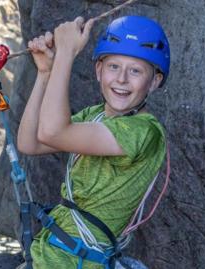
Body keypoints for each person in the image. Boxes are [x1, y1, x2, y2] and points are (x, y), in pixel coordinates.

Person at [16, 15, 170, 269]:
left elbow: (53, 132)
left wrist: (66, 51)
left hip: (76, 261)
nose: (121, 79)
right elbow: (30, 142)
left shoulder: (144, 132)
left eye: (135, 71)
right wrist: (45, 73)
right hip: (51, 252)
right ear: (99, 71)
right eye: (113, 67)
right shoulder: (95, 115)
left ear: (154, 81)